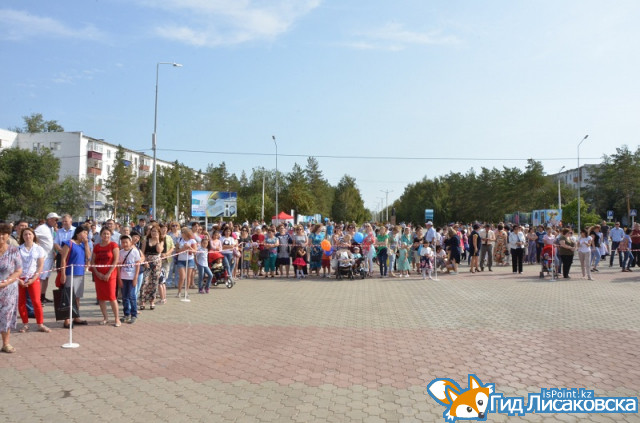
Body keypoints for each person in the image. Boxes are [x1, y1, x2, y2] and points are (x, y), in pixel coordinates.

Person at [17, 228, 49, 333]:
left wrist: (33, 278)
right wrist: (18, 280)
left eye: (29, 234)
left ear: (33, 235)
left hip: (33, 278)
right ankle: (25, 324)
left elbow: (40, 266)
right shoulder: (18, 249)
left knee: (36, 301)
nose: (27, 236)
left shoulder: (39, 249)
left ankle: (40, 324)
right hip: (21, 278)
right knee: (21, 302)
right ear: (22, 237)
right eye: (25, 234)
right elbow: (14, 266)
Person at [59, 225, 91, 328]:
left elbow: (88, 257)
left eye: (87, 233)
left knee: (77, 296)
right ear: (78, 233)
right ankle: (67, 320)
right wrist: (63, 273)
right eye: (84, 232)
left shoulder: (83, 245)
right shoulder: (69, 243)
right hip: (70, 273)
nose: (85, 235)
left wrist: (86, 244)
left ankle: (76, 316)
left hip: (80, 273)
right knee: (69, 296)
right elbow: (63, 259)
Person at [90, 227, 120, 326]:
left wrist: (109, 273)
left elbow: (115, 260)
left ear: (110, 235)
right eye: (104, 234)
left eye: (108, 234)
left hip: (110, 275)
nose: (106, 236)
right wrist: (97, 273)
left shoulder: (113, 245)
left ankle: (117, 319)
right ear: (100, 235)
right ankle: (105, 318)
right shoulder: (97, 247)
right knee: (101, 298)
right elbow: (93, 261)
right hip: (99, 276)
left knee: (112, 297)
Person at [0, 223, 23, 353]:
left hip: (8, 290)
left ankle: (5, 344)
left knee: (6, 316)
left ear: (8, 235)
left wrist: (6, 282)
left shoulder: (13, 250)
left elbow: (18, 270)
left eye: (4, 234)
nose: (1, 236)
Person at [34, 212, 59, 304]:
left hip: (50, 256)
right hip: (44, 257)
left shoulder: (51, 228)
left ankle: (42, 296)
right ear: (50, 219)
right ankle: (37, 298)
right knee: (41, 278)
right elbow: (33, 235)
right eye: (56, 220)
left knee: (46, 277)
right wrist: (37, 246)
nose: (57, 222)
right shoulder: (41, 228)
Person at [117, 234, 141, 324]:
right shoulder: (120, 252)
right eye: (123, 242)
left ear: (130, 242)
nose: (125, 244)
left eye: (126, 242)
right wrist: (119, 278)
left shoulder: (135, 251)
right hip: (123, 277)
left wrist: (135, 277)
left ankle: (134, 314)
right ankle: (126, 314)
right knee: (124, 297)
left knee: (132, 296)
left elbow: (138, 265)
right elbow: (118, 266)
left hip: (132, 278)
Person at [140, 224, 163, 309]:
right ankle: (142, 301)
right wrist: (144, 261)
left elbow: (159, 250)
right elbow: (142, 252)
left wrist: (157, 240)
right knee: (145, 281)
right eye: (152, 231)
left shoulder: (161, 241)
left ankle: (152, 301)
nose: (154, 233)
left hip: (156, 263)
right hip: (147, 262)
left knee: (154, 282)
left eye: (156, 231)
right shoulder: (145, 241)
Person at [176, 227, 197, 297]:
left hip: (190, 260)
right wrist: (183, 249)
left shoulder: (192, 241)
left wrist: (189, 247)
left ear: (186, 233)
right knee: (182, 277)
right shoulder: (179, 240)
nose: (181, 234)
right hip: (181, 260)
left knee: (188, 277)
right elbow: (177, 251)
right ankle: (179, 292)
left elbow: (195, 251)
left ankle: (186, 292)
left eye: (182, 232)